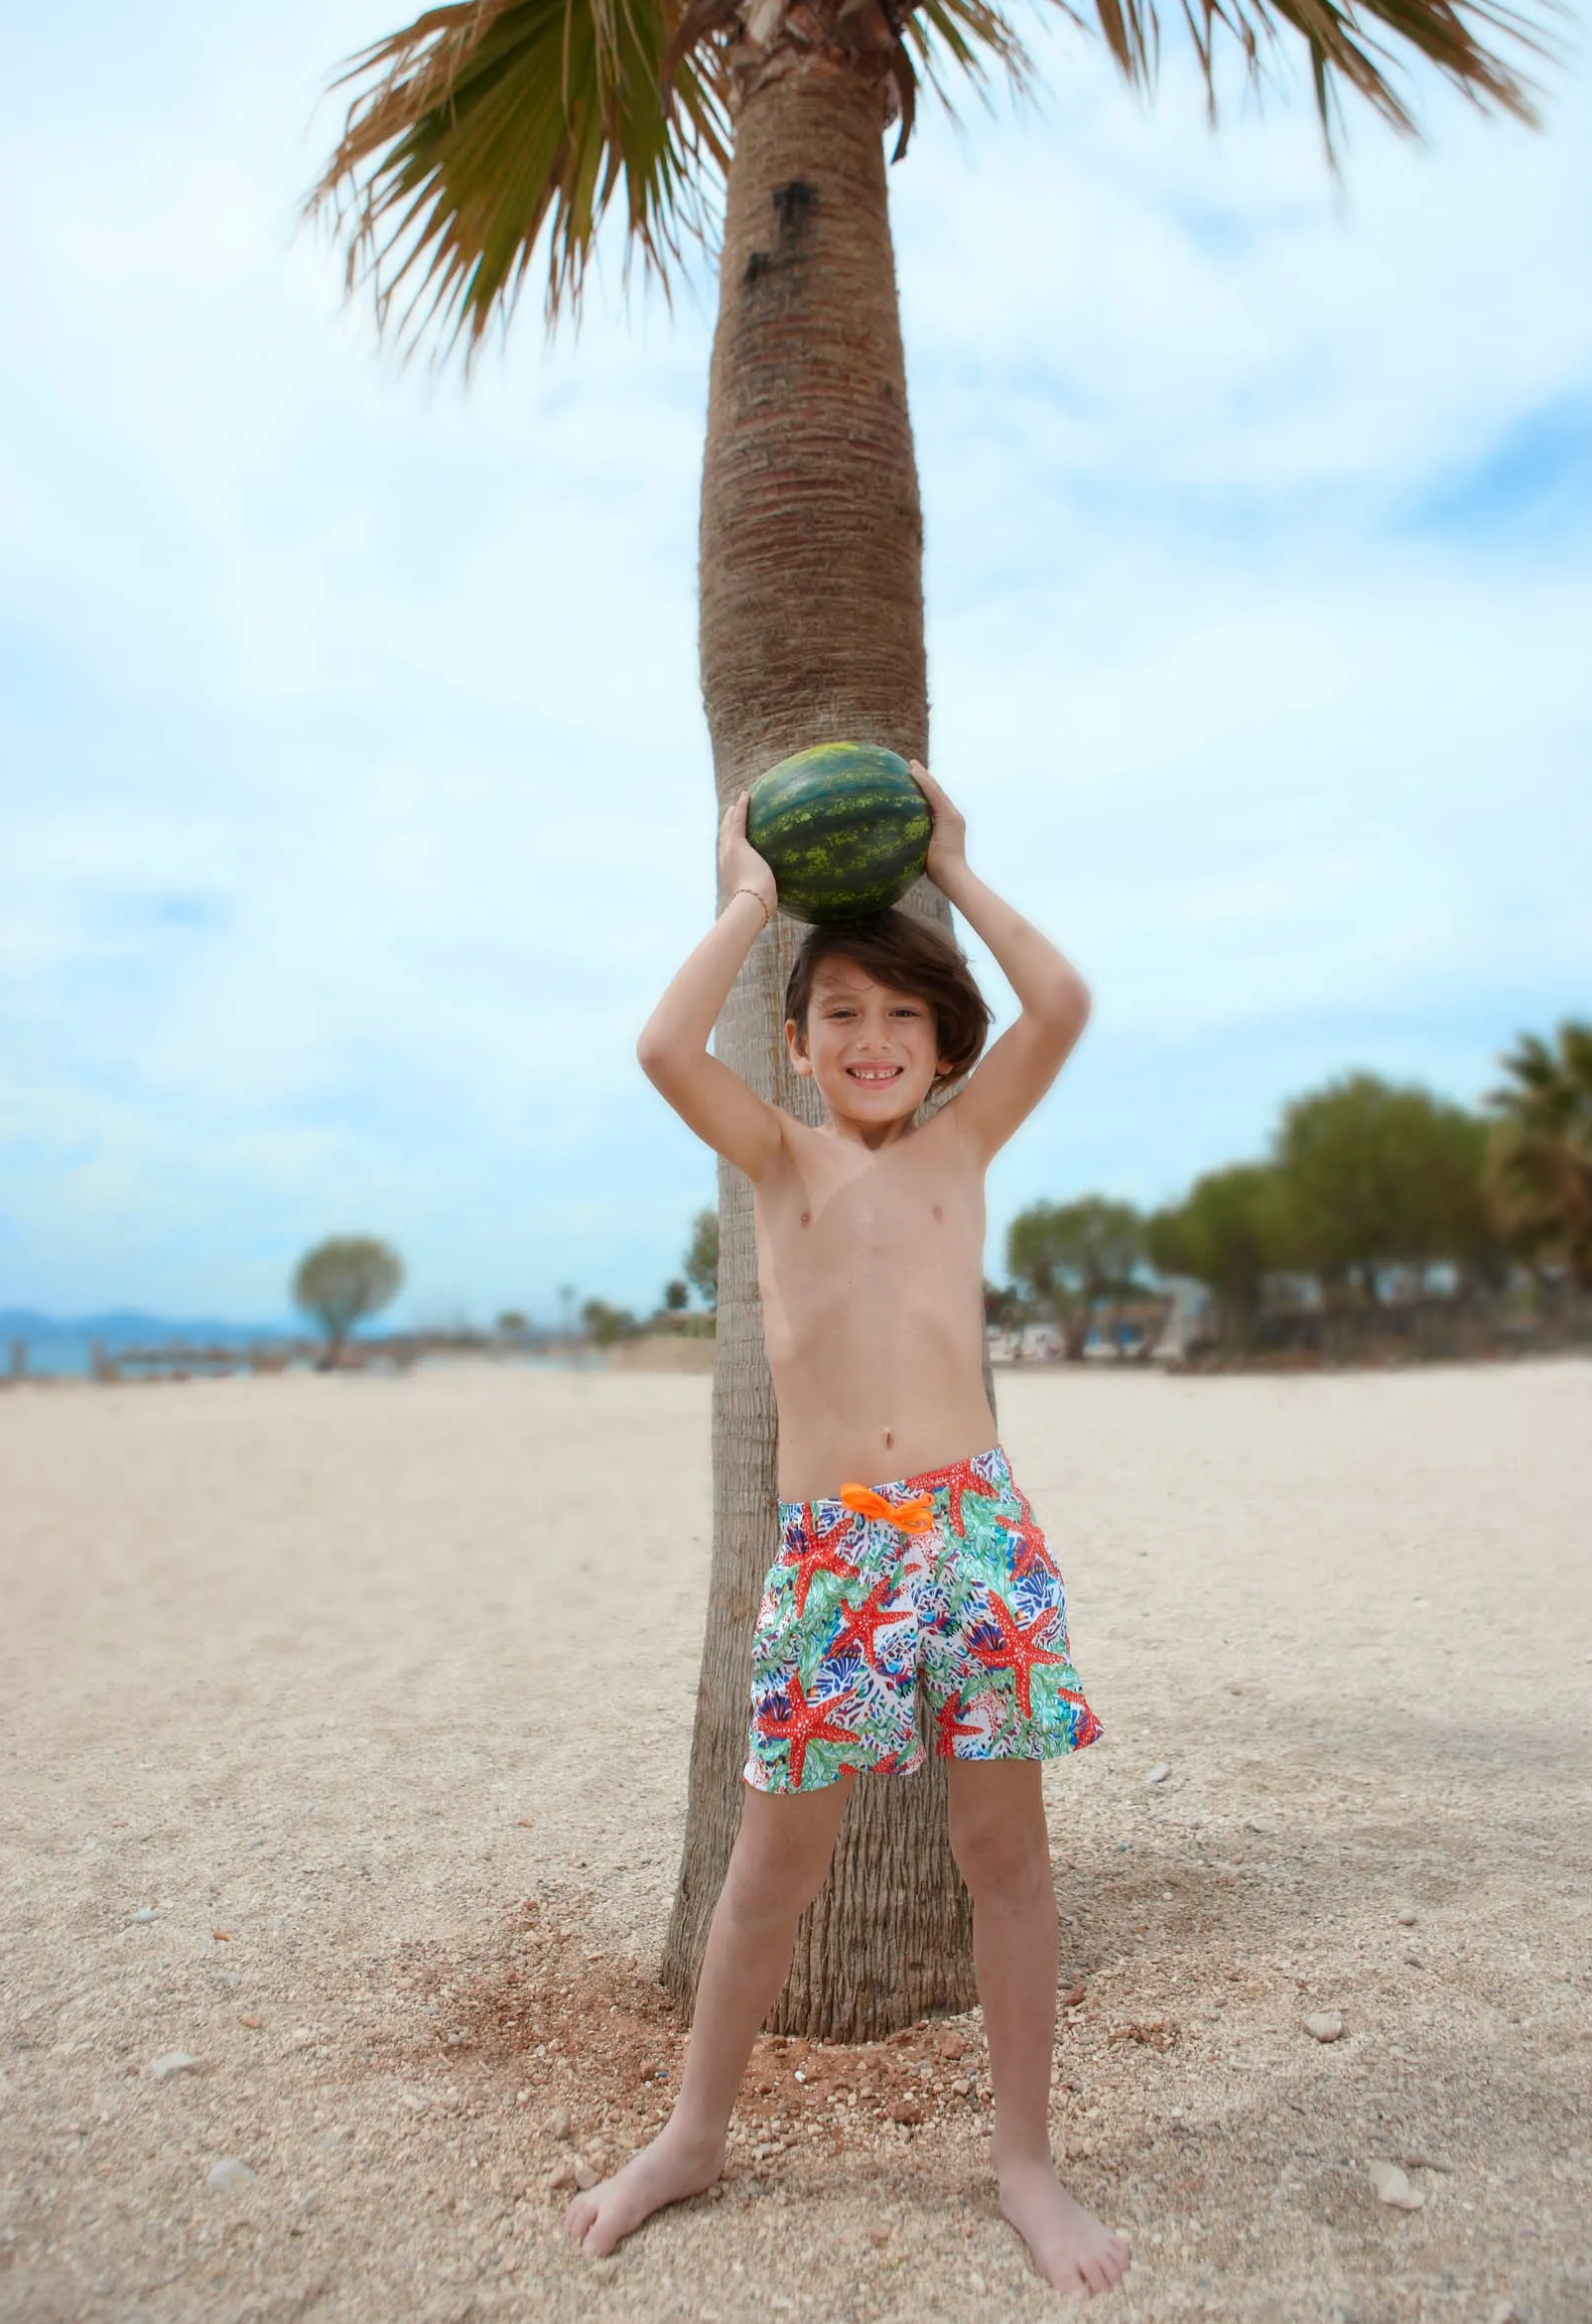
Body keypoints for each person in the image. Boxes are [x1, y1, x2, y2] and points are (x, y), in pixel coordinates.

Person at [567, 765, 1129, 2300]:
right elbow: (658, 1044)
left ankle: (1023, 2161)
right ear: (798, 1049)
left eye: (902, 1016)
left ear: (944, 1043)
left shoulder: (962, 1148)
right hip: (833, 1559)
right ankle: (692, 2135)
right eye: (839, 1018)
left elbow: (1063, 1001)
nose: (872, 1041)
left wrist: (957, 863)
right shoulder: (775, 1160)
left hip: (972, 1538)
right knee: (769, 1869)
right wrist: (751, 897)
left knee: (1002, 1851)